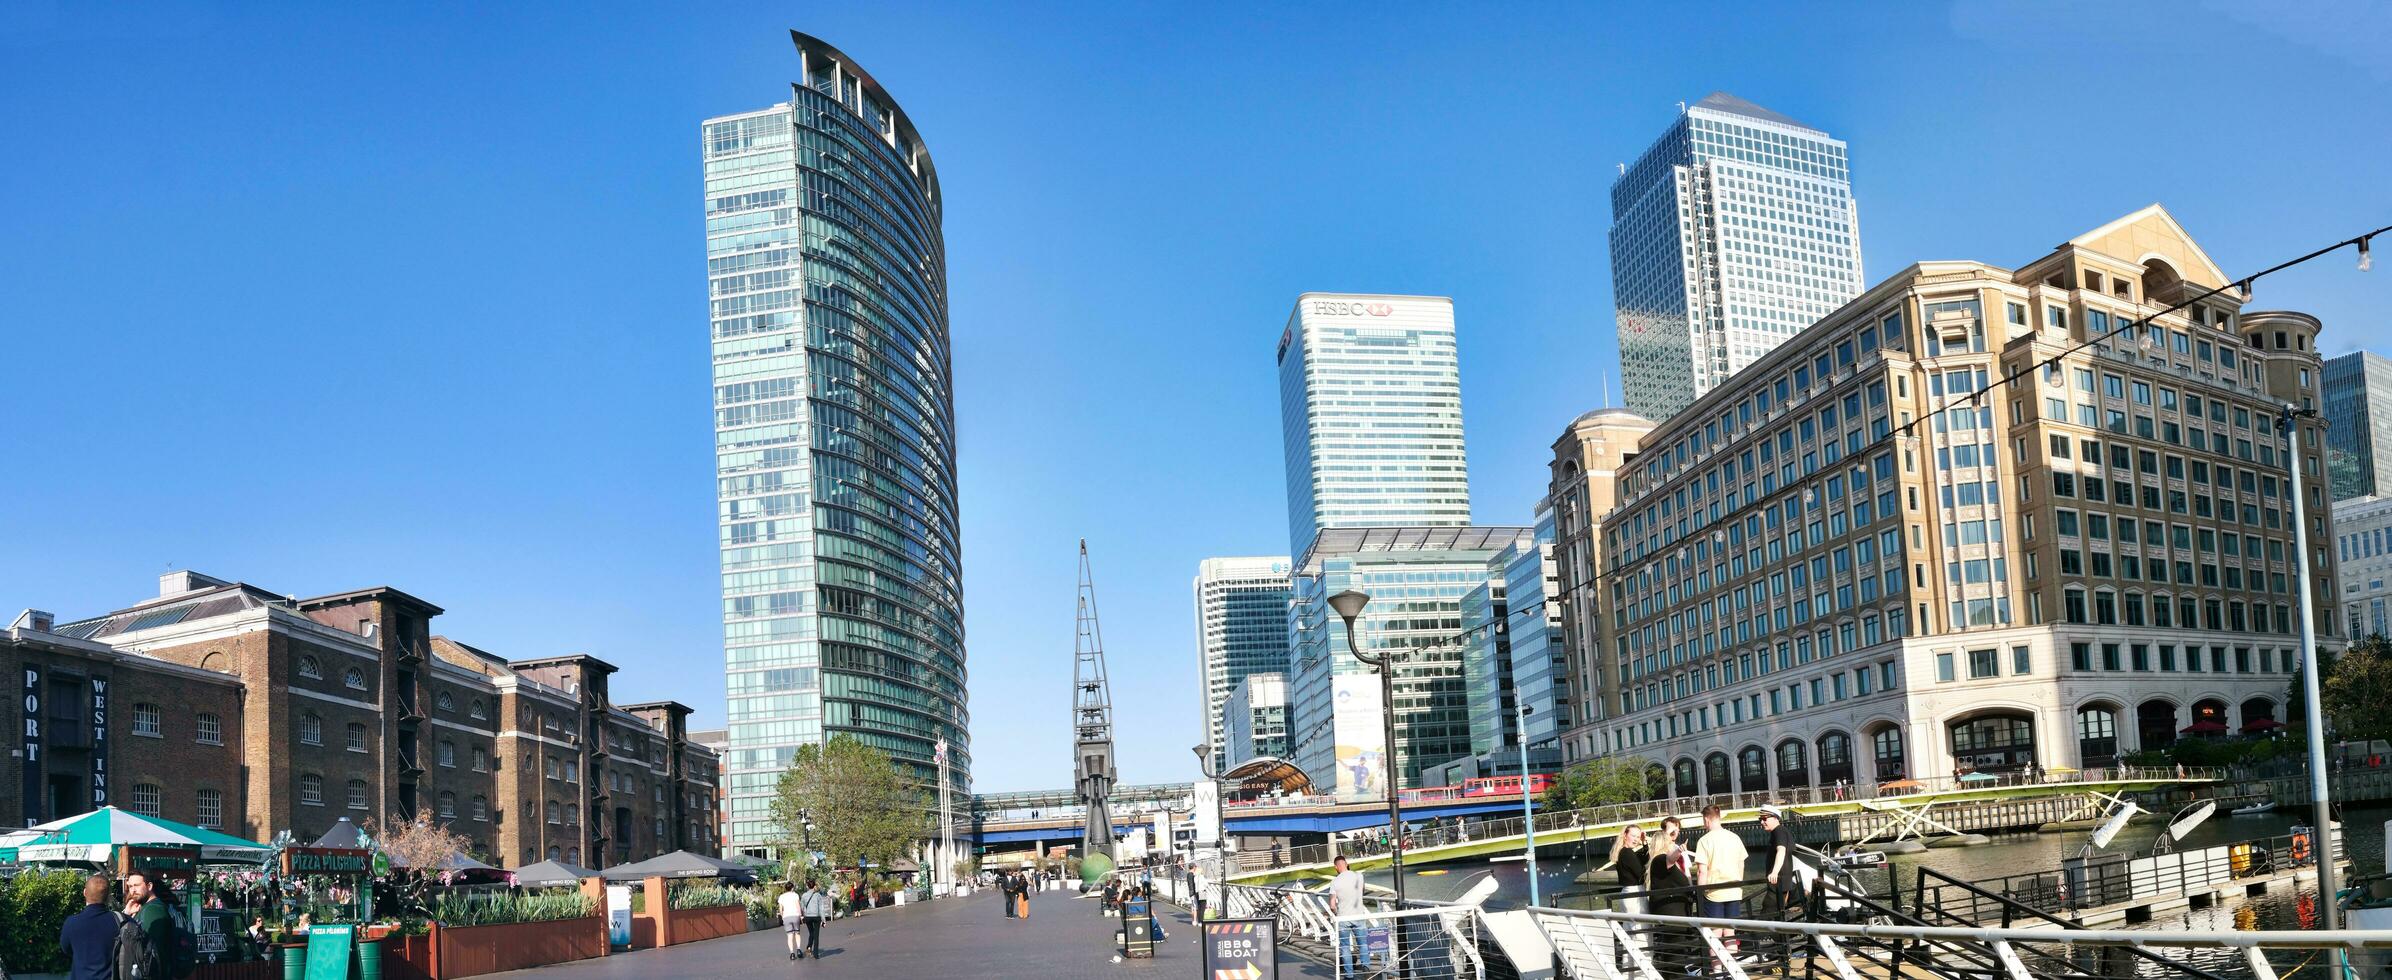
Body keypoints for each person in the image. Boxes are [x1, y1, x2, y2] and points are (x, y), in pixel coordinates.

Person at [1690, 803, 1748, 961]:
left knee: (1715, 934)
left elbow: (1702, 871)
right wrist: (1738, 882)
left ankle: (1717, 973)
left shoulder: (1704, 840)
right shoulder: (1734, 837)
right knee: (1730, 933)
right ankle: (1733, 971)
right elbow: (1741, 863)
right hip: (1734, 890)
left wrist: (1699, 893)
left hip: (1713, 893)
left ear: (1707, 819)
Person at [1645, 817, 1698, 976]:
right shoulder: (1660, 860)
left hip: (1676, 910)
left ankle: (1673, 973)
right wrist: (1680, 849)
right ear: (1664, 845)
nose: (1672, 846)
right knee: (1674, 947)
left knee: (1675, 947)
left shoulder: (1662, 863)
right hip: (1671, 912)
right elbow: (1670, 858)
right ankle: (1675, 975)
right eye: (1669, 844)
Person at [59, 873, 118, 980]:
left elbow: (66, 949)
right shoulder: (120, 921)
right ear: (109, 896)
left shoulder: (71, 922)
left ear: (85, 893)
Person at [1328, 855, 1368, 975]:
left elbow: (1332, 905)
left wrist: (1337, 913)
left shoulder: (1334, 882)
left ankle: (1349, 975)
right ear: (1347, 863)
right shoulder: (1359, 876)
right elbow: (1362, 892)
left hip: (1343, 918)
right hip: (1358, 916)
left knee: (1345, 947)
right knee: (1363, 944)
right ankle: (1366, 968)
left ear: (1336, 867)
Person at [800, 879, 830, 960]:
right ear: (814, 886)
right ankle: (816, 954)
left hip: (808, 917)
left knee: (811, 932)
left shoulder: (804, 895)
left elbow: (802, 907)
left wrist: (803, 915)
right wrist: (823, 920)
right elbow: (821, 908)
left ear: (807, 886)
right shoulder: (818, 895)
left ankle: (809, 946)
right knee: (816, 935)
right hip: (816, 917)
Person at [777, 882, 805, 960]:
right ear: (792, 888)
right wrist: (801, 916)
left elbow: (780, 909)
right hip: (795, 915)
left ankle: (792, 953)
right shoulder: (795, 895)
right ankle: (799, 950)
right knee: (797, 933)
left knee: (789, 936)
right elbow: (798, 906)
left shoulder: (782, 896)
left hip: (786, 917)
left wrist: (783, 917)